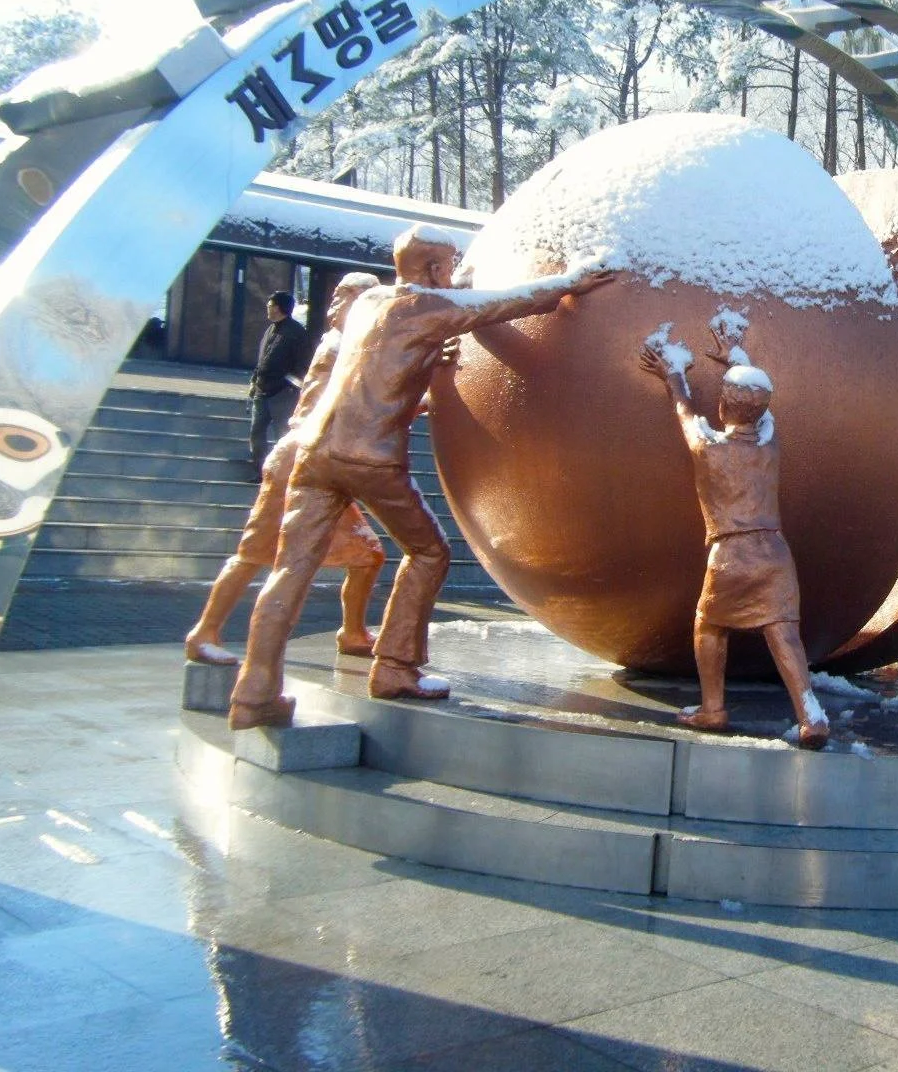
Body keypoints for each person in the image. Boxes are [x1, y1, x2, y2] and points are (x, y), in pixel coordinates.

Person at [228, 227, 611, 729]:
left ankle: (254, 692)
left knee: (290, 570)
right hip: (371, 458)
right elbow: (510, 304)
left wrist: (431, 359)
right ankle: (395, 667)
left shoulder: (368, 303)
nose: (453, 275)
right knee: (429, 552)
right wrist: (575, 281)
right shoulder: (429, 308)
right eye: (449, 266)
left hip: (315, 454)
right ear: (433, 270)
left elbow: (384, 370)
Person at [639, 323, 829, 750]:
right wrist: (736, 356)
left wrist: (673, 372)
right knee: (785, 633)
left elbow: (685, 411)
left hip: (730, 554)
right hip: (776, 553)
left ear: (722, 406)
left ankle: (713, 708)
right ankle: (810, 713)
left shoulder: (708, 449)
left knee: (708, 625)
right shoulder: (769, 444)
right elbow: (762, 412)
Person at [185, 272, 386, 667]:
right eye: (366, 303)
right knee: (254, 552)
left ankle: (352, 632)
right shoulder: (345, 346)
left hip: (320, 460)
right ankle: (204, 631)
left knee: (367, 554)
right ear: (344, 305)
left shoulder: (351, 344)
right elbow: (361, 404)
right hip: (301, 459)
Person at [248, 290, 310, 481]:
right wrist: (253, 381)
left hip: (282, 394)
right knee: (256, 433)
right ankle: (261, 471)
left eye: (270, 305)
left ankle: (284, 476)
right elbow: (263, 359)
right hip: (262, 390)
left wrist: (289, 386)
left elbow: (302, 365)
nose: (267, 308)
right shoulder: (270, 329)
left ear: (279, 307)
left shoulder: (296, 332)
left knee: (283, 436)